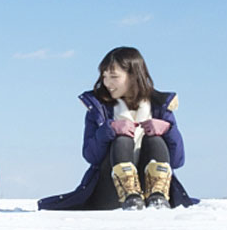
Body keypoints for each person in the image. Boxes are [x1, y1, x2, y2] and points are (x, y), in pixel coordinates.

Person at [38, 47, 197, 211]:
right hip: (111, 189)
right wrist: (110, 129)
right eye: (104, 76)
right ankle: (130, 196)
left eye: (114, 77)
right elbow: (91, 156)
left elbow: (177, 161)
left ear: (134, 76)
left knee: (155, 140)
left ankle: (157, 196)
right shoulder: (98, 107)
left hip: (152, 192)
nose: (107, 83)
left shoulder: (160, 106)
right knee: (122, 140)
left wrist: (168, 130)